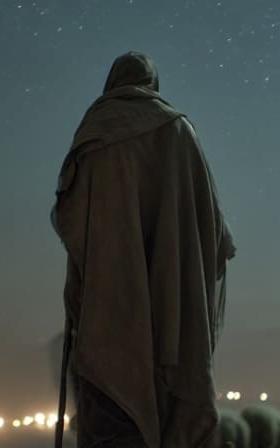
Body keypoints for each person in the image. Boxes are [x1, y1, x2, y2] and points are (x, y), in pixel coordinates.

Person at [53, 50, 237, 448]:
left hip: (107, 322)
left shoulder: (94, 135)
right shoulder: (180, 132)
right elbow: (216, 238)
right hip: (174, 325)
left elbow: (71, 222)